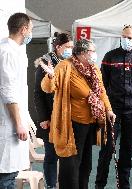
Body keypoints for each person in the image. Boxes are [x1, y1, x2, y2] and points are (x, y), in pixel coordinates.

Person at [41, 39, 116, 189]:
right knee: (71, 163)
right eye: (92, 51)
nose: (95, 54)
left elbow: (101, 91)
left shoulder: (94, 68)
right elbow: (48, 88)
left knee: (86, 163)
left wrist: (108, 109)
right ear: (82, 53)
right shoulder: (65, 66)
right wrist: (50, 76)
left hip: (90, 122)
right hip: (71, 123)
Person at [95, 25, 132, 189]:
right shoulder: (110, 57)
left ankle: (124, 185)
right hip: (113, 110)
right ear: (120, 37)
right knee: (107, 149)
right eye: (124, 36)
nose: (126, 39)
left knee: (128, 149)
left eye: (130, 37)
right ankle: (99, 184)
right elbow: (103, 83)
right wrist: (108, 104)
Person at [34, 32, 73, 189]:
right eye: (68, 47)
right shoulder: (45, 63)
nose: (71, 49)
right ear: (58, 47)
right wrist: (43, 118)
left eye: (72, 47)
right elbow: (38, 93)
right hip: (50, 116)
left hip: (69, 116)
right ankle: (51, 185)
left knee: (68, 155)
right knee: (51, 155)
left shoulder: (72, 62)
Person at [0, 12, 33, 188]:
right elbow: (8, 91)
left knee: (10, 173)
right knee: (6, 175)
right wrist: (19, 123)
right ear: (23, 29)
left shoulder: (16, 51)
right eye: (30, 30)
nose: (30, 34)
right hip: (8, 121)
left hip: (13, 118)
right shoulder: (6, 52)